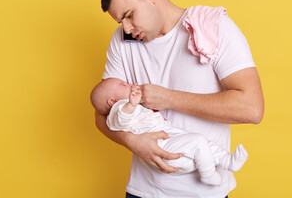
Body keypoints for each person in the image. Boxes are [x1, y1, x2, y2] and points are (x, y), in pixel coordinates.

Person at [95, 0, 264, 198]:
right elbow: (103, 111)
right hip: (143, 192)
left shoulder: (213, 27)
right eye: (120, 22)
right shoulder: (122, 40)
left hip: (205, 193)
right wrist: (131, 141)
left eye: (129, 15)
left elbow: (252, 108)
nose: (126, 28)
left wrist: (170, 98)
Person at [90, 78, 249, 186]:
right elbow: (121, 120)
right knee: (198, 142)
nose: (128, 84)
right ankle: (208, 174)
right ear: (112, 101)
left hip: (168, 139)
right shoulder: (118, 111)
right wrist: (131, 104)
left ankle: (227, 161)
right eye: (123, 85)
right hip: (161, 146)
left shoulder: (130, 105)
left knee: (203, 146)